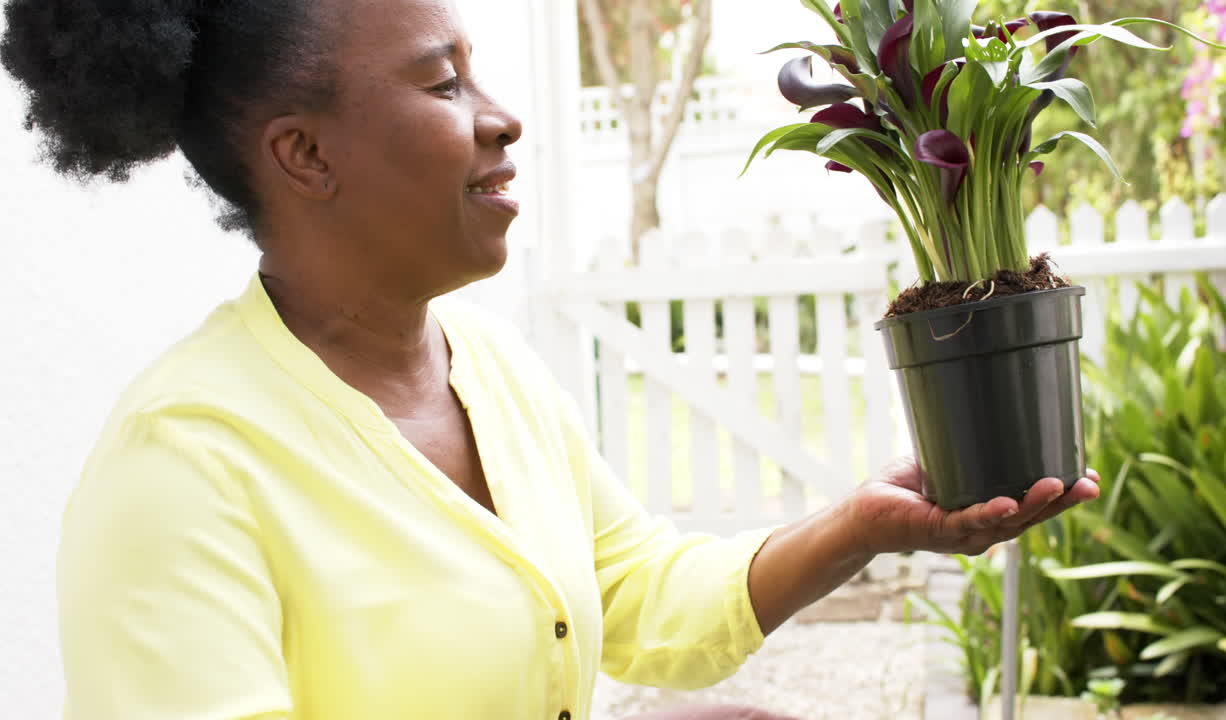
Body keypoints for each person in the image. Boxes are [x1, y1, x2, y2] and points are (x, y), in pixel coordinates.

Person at [0, 0, 1100, 718]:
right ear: (304, 153)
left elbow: (634, 592)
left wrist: (863, 525)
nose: (504, 119)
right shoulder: (180, 471)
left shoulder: (486, 365)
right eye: (443, 86)